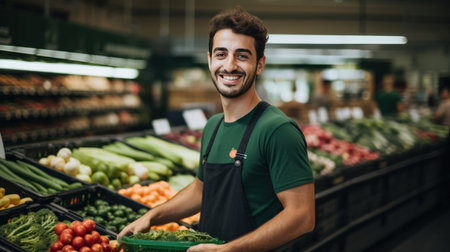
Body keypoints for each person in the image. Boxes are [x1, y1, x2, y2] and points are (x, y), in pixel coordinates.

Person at [118, 7, 315, 251]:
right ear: (210, 59)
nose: (229, 65)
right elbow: (202, 190)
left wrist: (229, 250)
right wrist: (153, 216)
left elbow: (302, 216)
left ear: (260, 64)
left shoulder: (278, 130)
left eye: (242, 56)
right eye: (221, 54)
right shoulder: (213, 126)